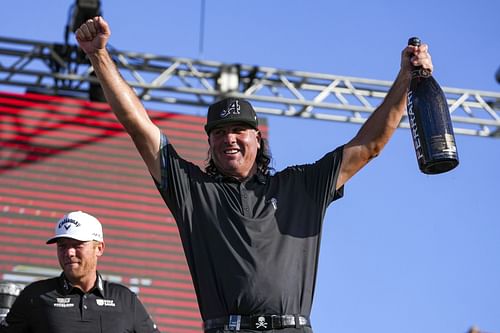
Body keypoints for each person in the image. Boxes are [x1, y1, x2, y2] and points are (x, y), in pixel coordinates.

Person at [74, 17, 434, 333]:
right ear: (210, 142)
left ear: (257, 140)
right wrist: (99, 56)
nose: (229, 139)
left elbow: (369, 145)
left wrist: (405, 78)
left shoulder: (301, 185)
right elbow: (139, 127)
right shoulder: (194, 191)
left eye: (239, 131)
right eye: (219, 132)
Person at [0, 211, 160, 333]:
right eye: (62, 245)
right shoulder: (35, 295)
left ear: (99, 248)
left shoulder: (125, 299)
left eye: (77, 245)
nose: (69, 252)